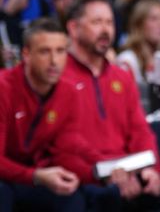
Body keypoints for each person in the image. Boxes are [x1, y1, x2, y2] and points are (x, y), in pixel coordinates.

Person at [63, 0, 160, 212]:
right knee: (108, 196)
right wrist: (109, 171)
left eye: (109, 22)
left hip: (130, 169)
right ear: (73, 27)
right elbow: (65, 141)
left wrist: (151, 169)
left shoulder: (121, 76)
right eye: (96, 22)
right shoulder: (60, 76)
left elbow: (140, 130)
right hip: (88, 173)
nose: (105, 29)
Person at [0, 18, 95, 212]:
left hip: (33, 176)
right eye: (45, 51)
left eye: (60, 51)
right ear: (26, 54)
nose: (54, 61)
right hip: (7, 177)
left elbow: (66, 151)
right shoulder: (4, 88)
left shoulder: (69, 93)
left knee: (74, 196)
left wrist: (99, 172)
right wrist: (35, 176)